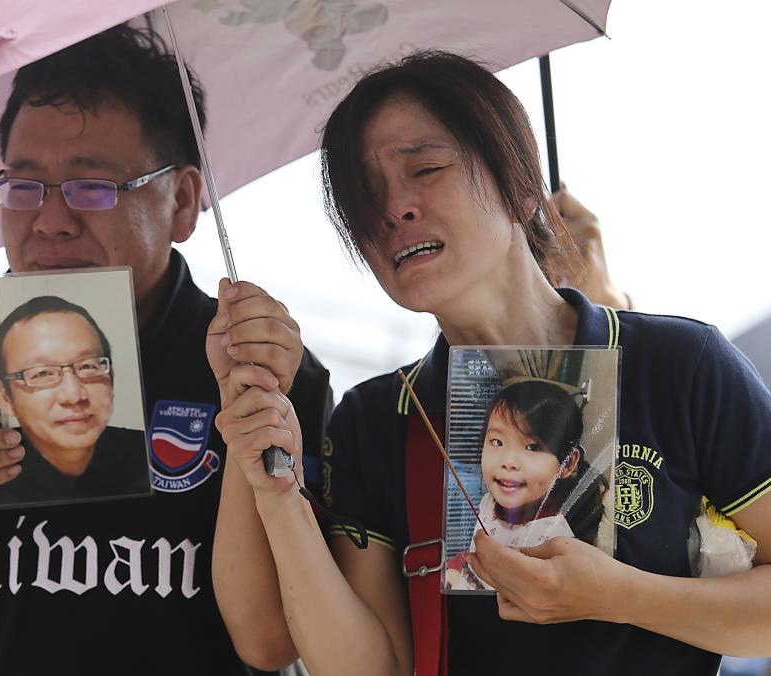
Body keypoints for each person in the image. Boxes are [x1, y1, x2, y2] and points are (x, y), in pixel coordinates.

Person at [212, 50, 771, 676]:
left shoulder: (680, 365)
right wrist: (278, 490)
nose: (394, 209)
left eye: (424, 168)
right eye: (366, 197)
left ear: (521, 182)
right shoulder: (375, 420)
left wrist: (617, 595)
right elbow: (369, 668)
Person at [0, 26, 330, 675]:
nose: (51, 220)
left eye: (93, 188)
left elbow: (276, 643)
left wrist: (250, 416)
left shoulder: (261, 369)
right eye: (23, 187)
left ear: (185, 200)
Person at [0, 295, 151, 507]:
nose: (73, 396)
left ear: (111, 377)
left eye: (88, 366)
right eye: (42, 373)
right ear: (4, 397)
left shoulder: (148, 454)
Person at [445, 379, 610, 592]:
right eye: (497, 442)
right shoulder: (488, 502)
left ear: (568, 463)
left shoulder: (556, 542)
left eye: (532, 447)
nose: (509, 461)